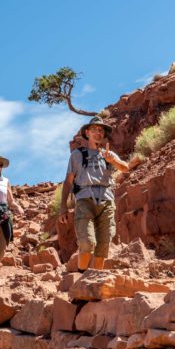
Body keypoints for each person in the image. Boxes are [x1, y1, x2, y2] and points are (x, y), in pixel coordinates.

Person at [59, 116, 129, 271]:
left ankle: (94, 284)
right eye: (95, 130)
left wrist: (114, 161)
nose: (98, 133)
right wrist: (63, 207)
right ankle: (80, 279)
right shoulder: (77, 155)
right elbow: (68, 181)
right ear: (87, 133)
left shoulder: (108, 154)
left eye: (101, 130)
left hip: (106, 201)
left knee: (104, 245)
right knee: (87, 243)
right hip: (85, 200)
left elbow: (126, 167)